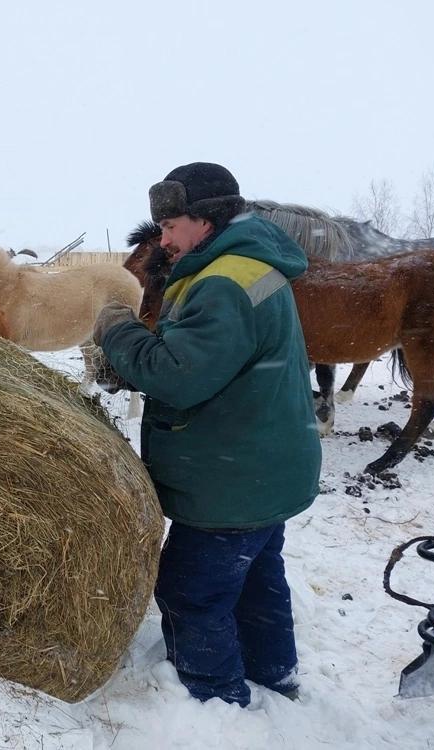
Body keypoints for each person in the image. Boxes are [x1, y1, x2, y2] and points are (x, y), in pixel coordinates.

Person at [93, 162, 321, 707]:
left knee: (191, 592)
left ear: (206, 220)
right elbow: (213, 358)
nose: (164, 238)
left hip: (231, 479)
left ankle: (217, 705)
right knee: (258, 577)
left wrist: (119, 331)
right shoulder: (248, 265)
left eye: (172, 226)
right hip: (267, 467)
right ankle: (274, 674)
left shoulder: (223, 281)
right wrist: (143, 359)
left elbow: (180, 374)